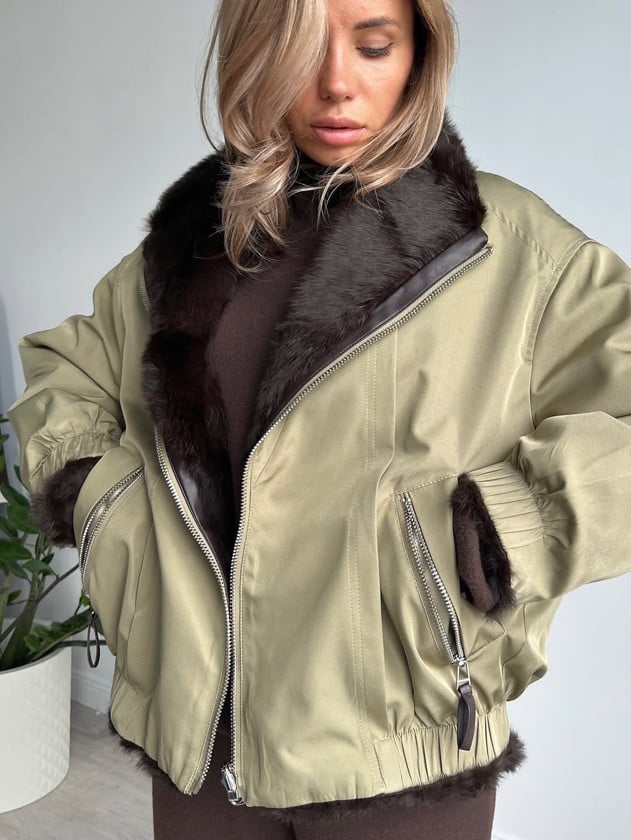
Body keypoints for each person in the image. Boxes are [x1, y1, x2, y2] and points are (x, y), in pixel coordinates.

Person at [7, 0, 631, 837]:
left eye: (373, 45)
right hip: (200, 743)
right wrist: (99, 496)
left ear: (418, 55)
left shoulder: (507, 246)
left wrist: (514, 523)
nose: (336, 82)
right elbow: (69, 365)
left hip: (401, 758)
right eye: (301, 49)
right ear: (255, 56)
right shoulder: (195, 243)